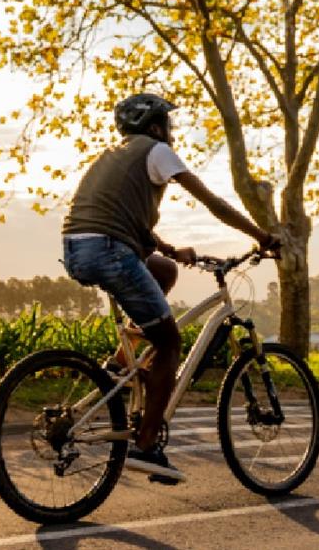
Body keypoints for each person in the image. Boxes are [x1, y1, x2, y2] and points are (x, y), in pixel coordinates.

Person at [61, 92, 277, 485]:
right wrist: (261, 235)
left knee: (162, 270)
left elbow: (122, 216)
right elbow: (213, 203)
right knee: (171, 343)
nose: (171, 131)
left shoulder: (113, 155)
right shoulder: (157, 150)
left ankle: (122, 362)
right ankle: (146, 446)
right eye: (168, 123)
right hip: (110, 250)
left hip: (79, 248)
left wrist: (169, 249)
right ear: (156, 126)